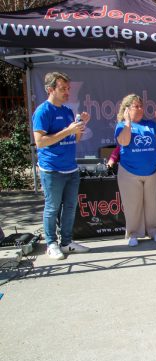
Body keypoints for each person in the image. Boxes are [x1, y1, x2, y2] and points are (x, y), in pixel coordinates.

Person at [33, 71, 91, 259]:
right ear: (50, 89)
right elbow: (40, 142)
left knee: (70, 207)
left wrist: (80, 125)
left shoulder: (67, 111)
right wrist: (68, 130)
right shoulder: (43, 111)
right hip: (52, 169)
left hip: (71, 167)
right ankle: (51, 244)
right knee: (52, 207)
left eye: (68, 88)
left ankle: (66, 242)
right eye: (62, 89)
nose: (67, 92)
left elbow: (76, 138)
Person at [115, 94, 156, 246]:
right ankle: (133, 234)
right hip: (129, 172)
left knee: (152, 204)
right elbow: (124, 141)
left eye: (141, 106)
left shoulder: (150, 124)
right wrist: (127, 122)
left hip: (151, 171)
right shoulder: (121, 125)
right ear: (127, 109)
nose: (140, 109)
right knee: (133, 205)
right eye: (136, 106)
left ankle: (154, 231)